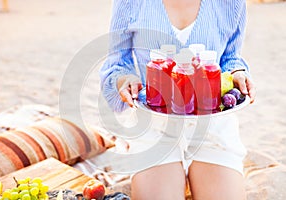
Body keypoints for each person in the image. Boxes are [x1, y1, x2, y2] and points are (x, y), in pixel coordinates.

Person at [100, 0, 256, 199]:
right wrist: (126, 79)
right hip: (155, 128)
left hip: (212, 127)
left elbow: (230, 58)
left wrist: (237, 73)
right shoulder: (130, 3)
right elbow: (117, 64)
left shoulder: (231, 4)